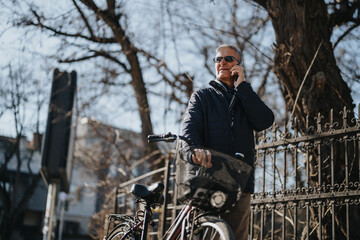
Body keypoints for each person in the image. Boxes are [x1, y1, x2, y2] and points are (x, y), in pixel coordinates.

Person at [181, 44, 274, 240]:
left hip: (240, 182)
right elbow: (189, 129)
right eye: (218, 59)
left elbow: (265, 121)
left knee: (236, 236)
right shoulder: (202, 96)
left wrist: (243, 87)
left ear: (238, 66)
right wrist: (195, 150)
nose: (222, 62)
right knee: (204, 234)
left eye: (229, 59)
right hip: (206, 178)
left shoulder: (246, 98)